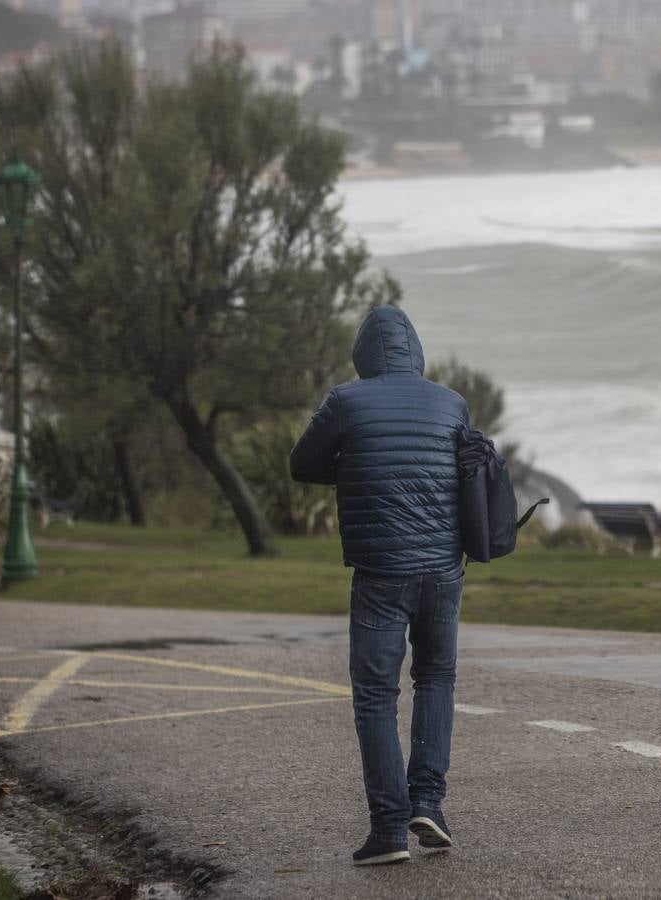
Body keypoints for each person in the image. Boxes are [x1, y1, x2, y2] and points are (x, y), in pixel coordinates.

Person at [290, 305, 468, 866]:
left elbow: (302, 464)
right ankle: (430, 807)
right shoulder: (451, 402)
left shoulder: (346, 400)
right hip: (443, 569)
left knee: (375, 695)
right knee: (436, 677)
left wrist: (353, 461)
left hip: (381, 571)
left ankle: (389, 830)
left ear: (363, 354)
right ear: (416, 352)